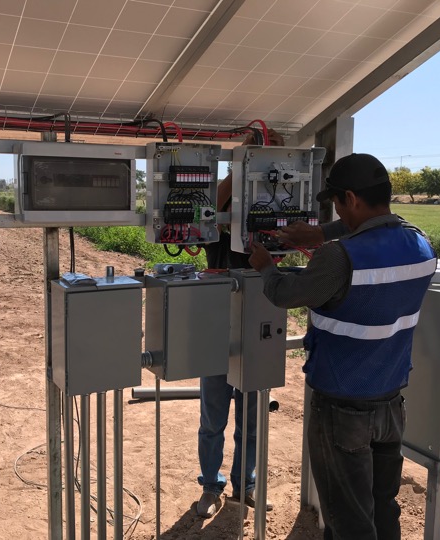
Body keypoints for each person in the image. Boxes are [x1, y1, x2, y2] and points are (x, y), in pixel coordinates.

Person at [248, 153, 437, 540]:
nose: (336, 210)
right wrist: (320, 233)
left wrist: (265, 266)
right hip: (390, 403)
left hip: (342, 409)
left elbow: (286, 294)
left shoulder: (339, 257)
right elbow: (375, 233)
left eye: (336, 202)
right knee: (382, 507)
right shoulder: (420, 244)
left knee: (348, 520)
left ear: (350, 198)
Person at [196, 129, 283, 518]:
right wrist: (241, 161)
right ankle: (210, 486)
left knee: (251, 418)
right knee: (213, 417)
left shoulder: (275, 207)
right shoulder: (223, 209)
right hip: (217, 324)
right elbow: (207, 208)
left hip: (258, 325)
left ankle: (245, 484)